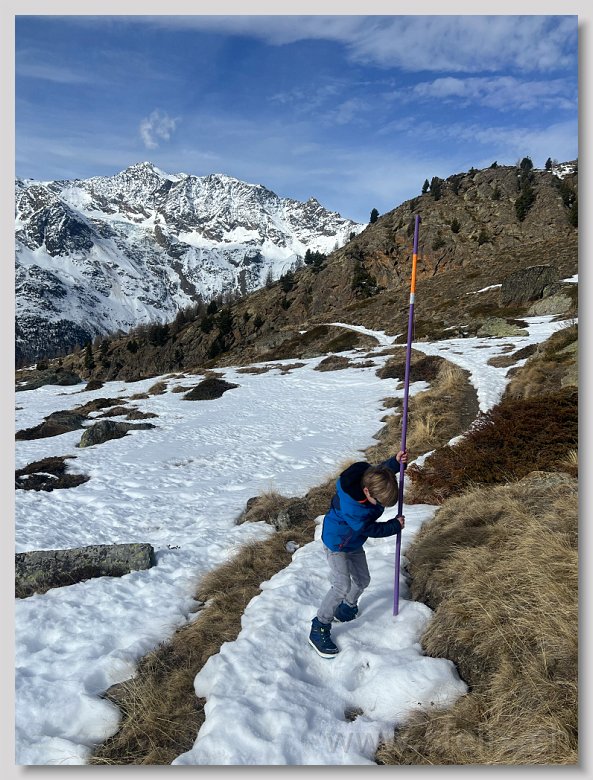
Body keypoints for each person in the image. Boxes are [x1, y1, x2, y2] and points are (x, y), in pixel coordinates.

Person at [308, 450, 408, 658]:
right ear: (366, 491)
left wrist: (396, 462)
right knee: (341, 586)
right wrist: (393, 526)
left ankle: (346, 609)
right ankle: (319, 626)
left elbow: (382, 473)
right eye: (379, 502)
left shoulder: (369, 478)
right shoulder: (353, 506)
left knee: (363, 579)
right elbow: (368, 529)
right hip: (337, 543)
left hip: (352, 542)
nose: (380, 506)